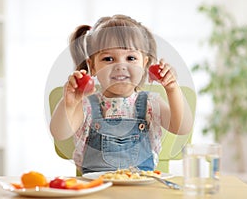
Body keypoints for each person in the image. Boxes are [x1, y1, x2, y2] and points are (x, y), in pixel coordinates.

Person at [50, 15, 193, 174]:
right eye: (108, 58)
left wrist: (172, 89)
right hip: (97, 189)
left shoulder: (151, 104)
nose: (120, 66)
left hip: (141, 187)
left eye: (131, 58)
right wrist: (69, 104)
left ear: (144, 64)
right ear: (93, 66)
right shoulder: (86, 105)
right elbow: (59, 132)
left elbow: (182, 127)